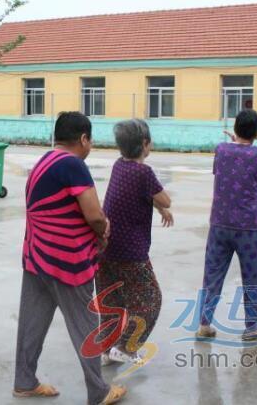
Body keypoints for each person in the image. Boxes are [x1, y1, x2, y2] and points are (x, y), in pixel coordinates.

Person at [14, 112, 126, 405]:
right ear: (83, 139)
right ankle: (100, 392)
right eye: (91, 141)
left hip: (37, 255)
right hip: (67, 261)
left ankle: (24, 381)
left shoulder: (43, 161)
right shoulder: (73, 164)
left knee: (32, 322)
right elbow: (93, 213)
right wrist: (103, 230)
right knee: (85, 325)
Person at [96, 119, 172, 366]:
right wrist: (163, 206)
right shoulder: (144, 172)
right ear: (145, 144)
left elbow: (138, 195)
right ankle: (127, 348)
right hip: (131, 252)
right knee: (151, 300)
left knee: (112, 301)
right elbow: (166, 199)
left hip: (106, 247)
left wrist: (159, 209)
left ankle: (106, 350)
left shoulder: (120, 166)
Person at [198, 110, 257, 341]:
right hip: (249, 225)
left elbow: (221, 168)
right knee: (253, 275)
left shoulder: (221, 149)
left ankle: (204, 323)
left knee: (213, 273)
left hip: (220, 222)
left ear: (235, 128)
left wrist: (234, 146)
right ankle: (253, 325)